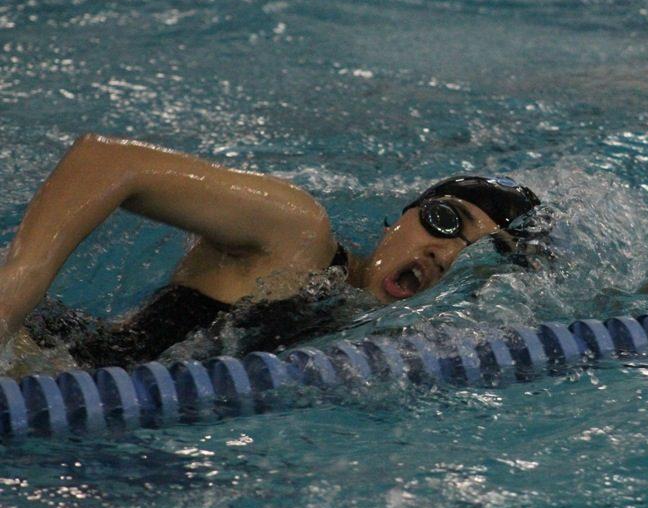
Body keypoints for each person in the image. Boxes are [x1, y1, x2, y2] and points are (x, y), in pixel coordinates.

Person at [0, 134, 542, 377]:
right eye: (446, 221)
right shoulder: (299, 238)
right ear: (400, 217)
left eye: (476, 252)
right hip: (34, 355)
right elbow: (107, 161)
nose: (444, 253)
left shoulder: (380, 335)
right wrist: (16, 292)